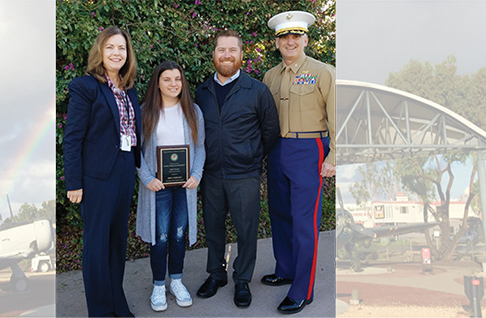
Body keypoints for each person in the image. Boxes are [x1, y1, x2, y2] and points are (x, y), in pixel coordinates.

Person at [195, 29, 280, 308]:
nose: (227, 55)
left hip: (245, 174)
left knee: (246, 230)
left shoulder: (257, 90)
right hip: (211, 175)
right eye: (222, 50)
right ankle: (216, 274)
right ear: (214, 55)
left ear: (242, 54)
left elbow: (270, 133)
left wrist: (252, 158)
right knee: (214, 228)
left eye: (232, 50)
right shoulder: (202, 92)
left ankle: (242, 279)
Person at [261, 11, 336, 314]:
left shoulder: (323, 71)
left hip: (309, 148)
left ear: (305, 39)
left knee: (305, 221)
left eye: (295, 36)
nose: (290, 41)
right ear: (277, 42)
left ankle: (302, 289)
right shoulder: (270, 76)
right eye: (284, 37)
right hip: (278, 150)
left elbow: (336, 116)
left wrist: (334, 156)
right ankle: (286, 269)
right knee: (279, 213)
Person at [63, 26, 140, 317]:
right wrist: (74, 182)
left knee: (117, 243)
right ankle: (100, 311)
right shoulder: (85, 86)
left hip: (123, 170)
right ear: (100, 51)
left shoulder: (128, 88)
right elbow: (72, 138)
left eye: (121, 48)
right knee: (97, 245)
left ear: (127, 54)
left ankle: (117, 304)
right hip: (96, 177)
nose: (116, 53)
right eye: (110, 47)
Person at [135, 61, 206, 311]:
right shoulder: (145, 112)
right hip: (158, 187)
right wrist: (147, 178)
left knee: (178, 235)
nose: (173, 84)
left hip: (185, 186)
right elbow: (137, 152)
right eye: (167, 79)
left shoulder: (193, 111)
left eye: (177, 79)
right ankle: (157, 286)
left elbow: (200, 147)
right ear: (157, 82)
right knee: (160, 236)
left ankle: (176, 281)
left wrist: (196, 174)